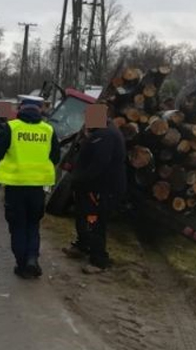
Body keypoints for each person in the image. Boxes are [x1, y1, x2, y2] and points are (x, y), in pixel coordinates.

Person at [0, 95, 60, 279]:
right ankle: (32, 259)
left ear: (21, 109)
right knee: (33, 224)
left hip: (15, 187)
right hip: (38, 187)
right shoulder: (48, 129)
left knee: (18, 226)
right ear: (40, 110)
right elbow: (56, 157)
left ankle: (22, 265)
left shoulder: (11, 127)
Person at [62, 113, 127, 274]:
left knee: (94, 222)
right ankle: (82, 245)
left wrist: (79, 179)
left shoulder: (105, 136)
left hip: (101, 189)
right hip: (91, 187)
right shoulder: (100, 133)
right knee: (83, 216)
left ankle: (99, 260)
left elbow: (99, 164)